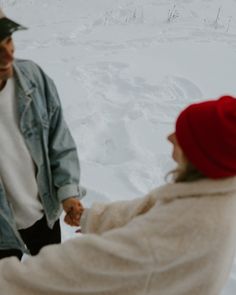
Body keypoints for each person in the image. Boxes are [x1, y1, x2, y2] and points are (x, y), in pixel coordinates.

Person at [0, 96, 236, 295]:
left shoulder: (189, 221)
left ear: (201, 156)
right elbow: (148, 208)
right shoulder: (215, 191)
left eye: (183, 137)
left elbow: (90, 264)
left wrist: (10, 280)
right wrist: (91, 217)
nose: (170, 137)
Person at [0, 8, 85, 260]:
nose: (8, 56)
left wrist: (68, 192)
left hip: (42, 216)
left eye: (8, 40)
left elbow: (59, 140)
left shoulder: (33, 78)